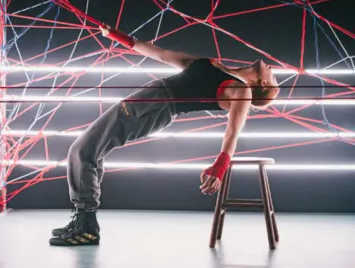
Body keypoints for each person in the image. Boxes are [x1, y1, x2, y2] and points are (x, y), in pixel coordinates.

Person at [49, 24, 279, 246]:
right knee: (91, 151)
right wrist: (116, 36)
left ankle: (86, 226)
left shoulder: (243, 90)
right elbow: (162, 54)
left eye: (272, 77)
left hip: (155, 106)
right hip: (152, 99)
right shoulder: (217, 67)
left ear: (260, 84)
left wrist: (219, 167)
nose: (272, 69)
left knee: (82, 150)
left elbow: (233, 131)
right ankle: (84, 221)